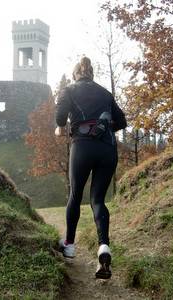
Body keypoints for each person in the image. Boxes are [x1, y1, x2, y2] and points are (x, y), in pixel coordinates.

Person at [55, 56, 127, 279]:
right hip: (107, 148)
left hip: (82, 147)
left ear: (76, 73)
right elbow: (122, 121)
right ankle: (104, 246)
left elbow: (59, 117)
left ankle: (69, 245)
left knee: (75, 196)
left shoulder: (68, 90)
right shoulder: (105, 93)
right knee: (98, 200)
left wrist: (60, 127)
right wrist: (103, 127)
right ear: (92, 74)